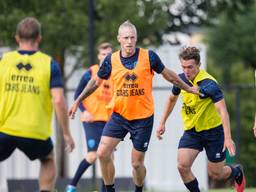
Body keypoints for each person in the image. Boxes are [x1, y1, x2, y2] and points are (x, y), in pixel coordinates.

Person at [69, 20, 199, 192]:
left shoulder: (149, 56)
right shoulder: (111, 60)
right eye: (126, 38)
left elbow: (170, 76)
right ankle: (109, 190)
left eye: (132, 37)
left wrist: (189, 88)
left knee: (137, 164)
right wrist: (78, 101)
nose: (129, 41)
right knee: (102, 153)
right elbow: (95, 82)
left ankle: (138, 189)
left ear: (136, 38)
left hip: (142, 119)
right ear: (119, 39)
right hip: (119, 116)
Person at [0, 17, 75, 192]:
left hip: (5, 128)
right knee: (48, 160)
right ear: (39, 38)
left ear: (17, 37)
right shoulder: (49, 64)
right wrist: (66, 133)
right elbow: (58, 100)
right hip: (35, 131)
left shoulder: (4, 60)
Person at [156, 46, 246, 192]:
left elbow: (223, 111)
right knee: (182, 166)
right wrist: (162, 122)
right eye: (183, 67)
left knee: (216, 174)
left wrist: (227, 138)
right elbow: (172, 100)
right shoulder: (181, 80)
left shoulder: (209, 84)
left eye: (190, 67)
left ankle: (237, 172)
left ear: (198, 65)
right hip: (192, 132)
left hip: (214, 133)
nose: (186, 71)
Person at [66, 42, 113, 192]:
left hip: (109, 123)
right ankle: (72, 185)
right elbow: (77, 94)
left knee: (108, 158)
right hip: (91, 121)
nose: (106, 57)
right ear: (99, 56)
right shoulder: (92, 72)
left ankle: (104, 189)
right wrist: (83, 110)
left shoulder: (116, 75)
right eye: (103, 54)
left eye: (109, 55)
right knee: (93, 156)